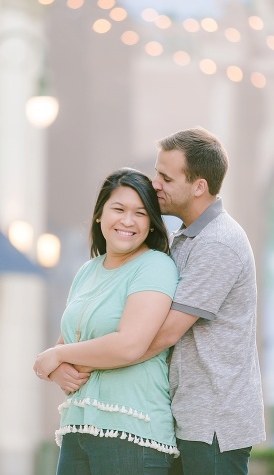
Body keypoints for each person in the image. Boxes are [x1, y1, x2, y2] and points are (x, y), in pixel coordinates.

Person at [54, 128, 266, 475]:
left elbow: (161, 335)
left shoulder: (218, 242)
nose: (155, 184)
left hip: (213, 419)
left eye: (166, 177)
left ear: (199, 186)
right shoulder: (186, 239)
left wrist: (72, 363)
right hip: (185, 412)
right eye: (156, 173)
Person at [33, 168, 180, 474]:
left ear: (151, 223)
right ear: (100, 215)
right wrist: (59, 367)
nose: (128, 220)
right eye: (119, 209)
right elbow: (72, 340)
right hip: (78, 426)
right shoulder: (88, 271)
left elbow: (129, 344)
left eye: (140, 213)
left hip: (133, 432)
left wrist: (56, 356)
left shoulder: (155, 266)